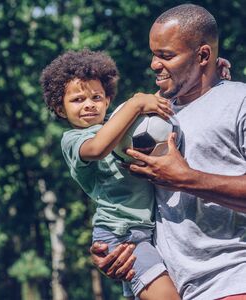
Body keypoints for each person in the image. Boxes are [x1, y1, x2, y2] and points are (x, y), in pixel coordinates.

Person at [90, 4, 246, 300]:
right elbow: (127, 199)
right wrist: (115, 246)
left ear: (203, 56)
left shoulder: (239, 102)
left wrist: (187, 179)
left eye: (166, 55)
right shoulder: (147, 115)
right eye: (153, 53)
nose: (153, 64)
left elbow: (183, 181)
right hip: (173, 289)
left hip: (233, 282)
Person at [40, 49, 180, 299]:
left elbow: (162, 102)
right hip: (120, 236)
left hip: (146, 233)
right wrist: (137, 102)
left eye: (96, 97)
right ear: (59, 109)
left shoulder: (117, 127)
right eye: (77, 100)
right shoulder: (73, 140)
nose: (89, 104)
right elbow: (98, 148)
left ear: (107, 100)